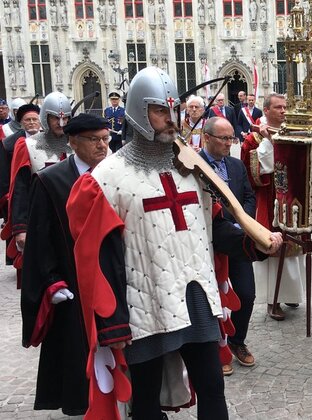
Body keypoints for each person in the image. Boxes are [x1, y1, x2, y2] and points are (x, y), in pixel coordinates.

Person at [65, 67, 283, 418]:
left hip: (196, 293)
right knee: (147, 401)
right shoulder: (106, 179)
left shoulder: (191, 169)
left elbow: (214, 230)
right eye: (161, 111)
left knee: (213, 387)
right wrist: (113, 321)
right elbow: (99, 258)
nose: (172, 120)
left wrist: (254, 243)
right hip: (144, 303)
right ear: (138, 112)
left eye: (175, 110)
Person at [20, 113, 110, 416]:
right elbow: (40, 237)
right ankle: (83, 403)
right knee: (77, 346)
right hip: (73, 278)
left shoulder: (115, 173)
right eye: (94, 140)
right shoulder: (51, 180)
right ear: (73, 142)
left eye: (106, 139)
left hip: (115, 276)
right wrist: (51, 281)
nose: (102, 146)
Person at [199, 117, 257, 376]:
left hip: (237, 239)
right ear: (206, 137)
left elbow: (249, 196)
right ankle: (215, 348)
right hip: (207, 242)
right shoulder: (193, 166)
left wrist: (242, 221)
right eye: (223, 138)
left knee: (246, 293)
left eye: (231, 138)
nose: (229, 143)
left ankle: (237, 341)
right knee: (211, 298)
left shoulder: (235, 165)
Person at [241, 93, 304, 320]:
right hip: (268, 199)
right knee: (272, 247)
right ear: (266, 110)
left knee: (292, 247)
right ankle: (272, 300)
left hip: (291, 198)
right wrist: (268, 141)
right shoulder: (253, 140)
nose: (283, 111)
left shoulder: (291, 133)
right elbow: (255, 174)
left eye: (286, 107)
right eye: (278, 107)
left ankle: (291, 293)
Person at [2, 93, 72, 274]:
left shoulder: (77, 144)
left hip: (72, 219)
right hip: (40, 220)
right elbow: (20, 188)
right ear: (46, 118)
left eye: (65, 118)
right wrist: (20, 227)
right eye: (55, 117)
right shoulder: (28, 146)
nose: (60, 122)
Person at [0, 104, 40, 220]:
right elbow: (3, 176)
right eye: (28, 120)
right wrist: (7, 200)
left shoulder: (49, 141)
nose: (32, 122)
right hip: (18, 196)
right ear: (21, 123)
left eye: (35, 119)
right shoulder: (8, 144)